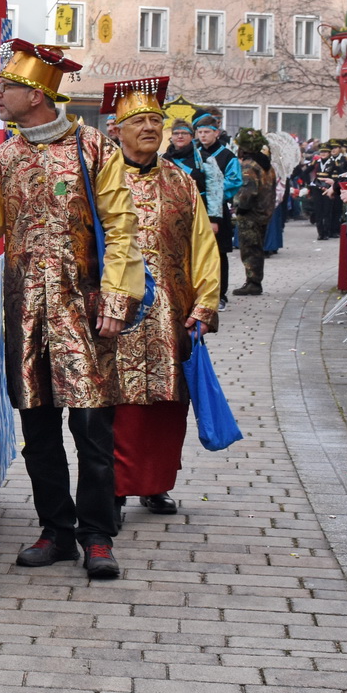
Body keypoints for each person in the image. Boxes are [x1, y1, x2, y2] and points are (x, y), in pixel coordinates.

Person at [0, 40, 142, 581]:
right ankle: (56, 530)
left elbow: (121, 227)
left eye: (5, 88)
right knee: (37, 430)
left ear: (36, 94)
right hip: (24, 313)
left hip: (85, 310)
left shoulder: (95, 148)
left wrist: (116, 298)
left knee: (92, 427)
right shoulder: (5, 156)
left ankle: (97, 535)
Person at [101, 80, 219, 518]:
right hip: (116, 315)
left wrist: (204, 305)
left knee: (168, 405)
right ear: (117, 129)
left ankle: (156, 484)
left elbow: (203, 245)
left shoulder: (181, 181)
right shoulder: (101, 179)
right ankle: (112, 489)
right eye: (139, 121)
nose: (150, 127)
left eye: (156, 120)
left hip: (171, 314)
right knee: (118, 404)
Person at [194, 114, 242, 308]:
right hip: (196, 208)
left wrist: (213, 189)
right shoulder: (194, 154)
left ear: (216, 133)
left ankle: (220, 294)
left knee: (219, 253)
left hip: (218, 210)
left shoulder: (227, 156)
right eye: (200, 132)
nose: (203, 135)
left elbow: (235, 181)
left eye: (207, 132)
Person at [230, 130, 278, 297]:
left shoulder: (249, 165)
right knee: (257, 248)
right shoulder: (266, 164)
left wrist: (240, 207)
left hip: (250, 214)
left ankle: (253, 283)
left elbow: (247, 191)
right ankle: (255, 281)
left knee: (250, 249)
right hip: (264, 211)